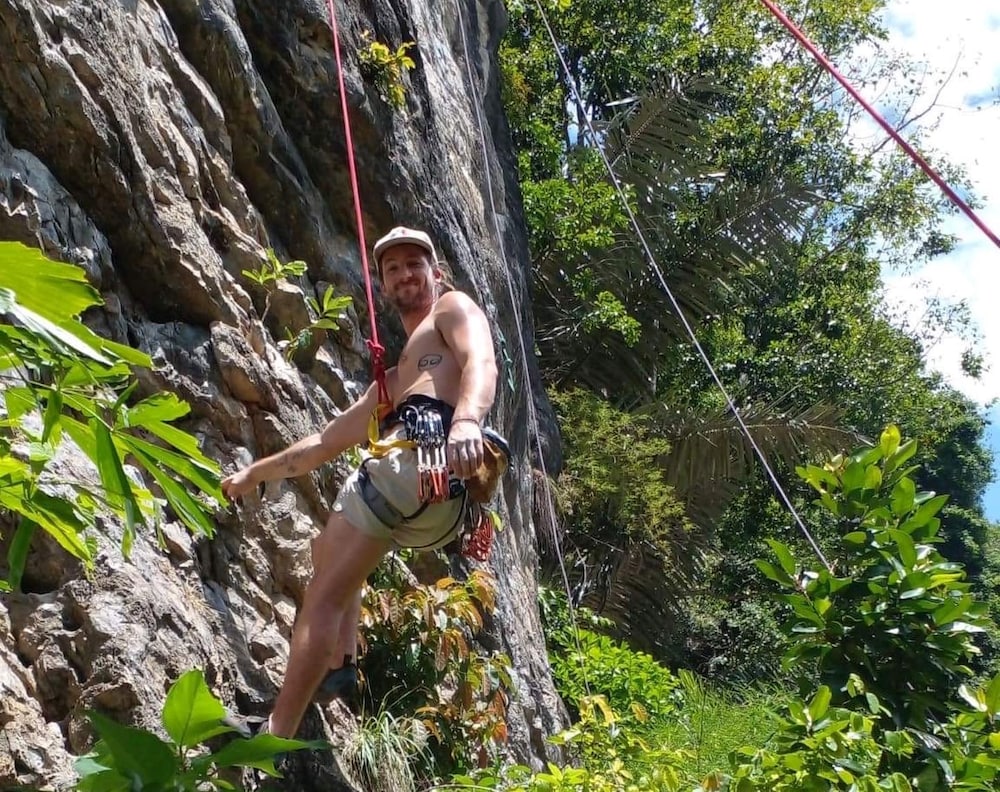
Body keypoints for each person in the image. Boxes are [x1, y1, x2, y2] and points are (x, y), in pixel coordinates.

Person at [221, 226, 499, 738]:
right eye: (392, 268)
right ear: (383, 285)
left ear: (437, 273)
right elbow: (324, 443)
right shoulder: (395, 381)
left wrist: (467, 421)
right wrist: (255, 473)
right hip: (432, 501)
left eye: (414, 264)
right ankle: (339, 660)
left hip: (422, 465)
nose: (404, 274)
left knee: (322, 597)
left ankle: (275, 733)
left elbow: (481, 361)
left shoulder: (452, 307)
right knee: (326, 550)